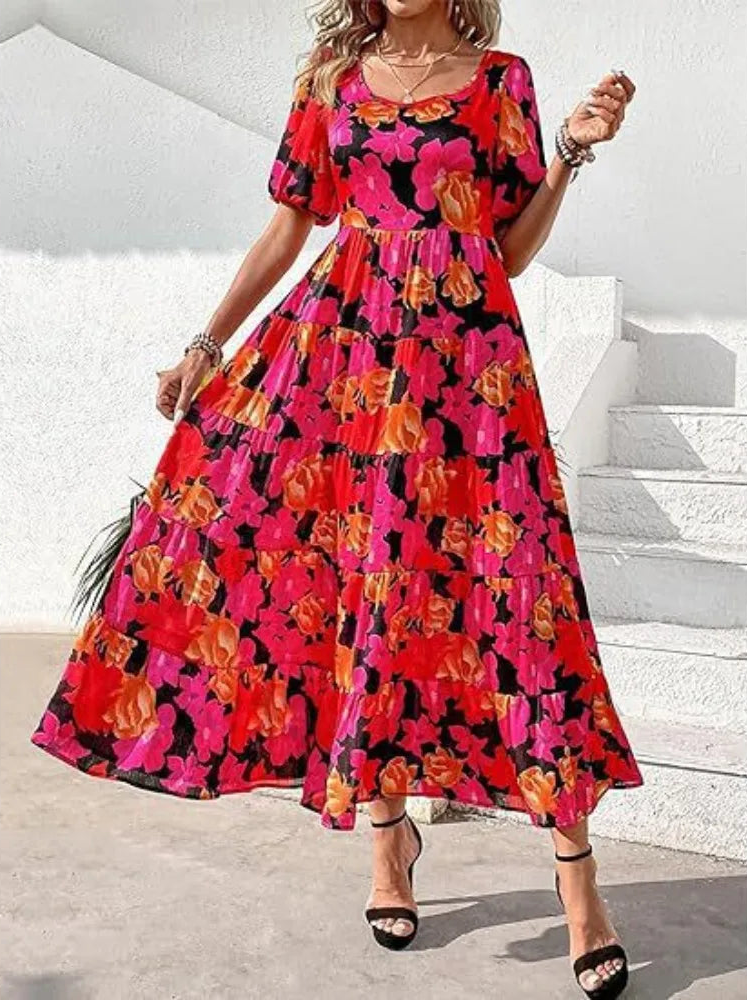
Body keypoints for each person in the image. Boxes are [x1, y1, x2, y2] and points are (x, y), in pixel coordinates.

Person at [32, 0, 642, 996]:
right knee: (369, 596)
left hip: (471, 376)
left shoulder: (502, 82)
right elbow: (289, 224)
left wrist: (569, 154)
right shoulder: (330, 78)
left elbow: (507, 249)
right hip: (347, 367)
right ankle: (388, 838)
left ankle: (579, 882)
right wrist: (207, 342)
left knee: (520, 606)